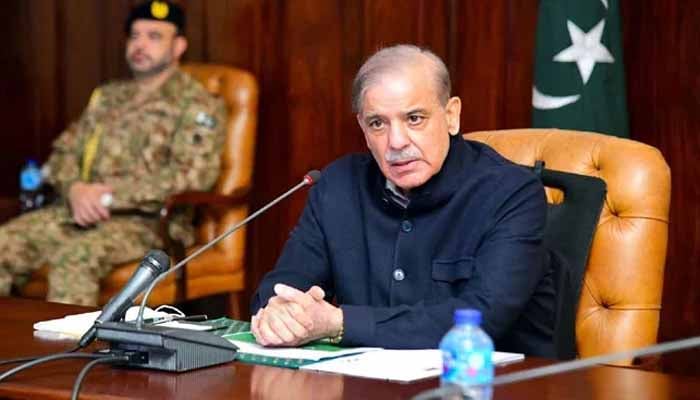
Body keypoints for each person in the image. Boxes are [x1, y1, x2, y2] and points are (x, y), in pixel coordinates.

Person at [251, 44, 556, 356]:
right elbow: (285, 285)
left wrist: (339, 323)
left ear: (451, 116)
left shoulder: (512, 193)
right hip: (366, 379)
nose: (396, 142)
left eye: (414, 118)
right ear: (362, 128)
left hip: (491, 378)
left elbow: (482, 316)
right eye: (378, 123)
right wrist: (279, 312)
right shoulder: (337, 186)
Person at [0, 0, 226, 306]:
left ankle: (74, 341)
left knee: (75, 259)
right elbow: (63, 154)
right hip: (77, 212)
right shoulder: (107, 97)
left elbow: (194, 176)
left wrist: (107, 197)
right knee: (4, 243)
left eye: (154, 36)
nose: (140, 45)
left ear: (178, 46)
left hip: (148, 225)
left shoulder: (197, 103)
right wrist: (75, 189)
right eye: (134, 36)